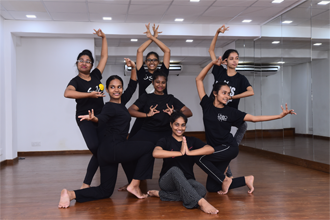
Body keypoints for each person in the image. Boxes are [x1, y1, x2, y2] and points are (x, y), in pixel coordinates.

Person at [58, 58, 155, 208]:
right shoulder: (108, 107)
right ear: (107, 90)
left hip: (106, 153)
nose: (116, 90)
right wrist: (94, 118)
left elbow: (133, 85)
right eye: (112, 87)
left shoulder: (122, 102)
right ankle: (134, 185)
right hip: (114, 148)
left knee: (105, 191)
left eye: (119, 87)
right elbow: (102, 118)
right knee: (150, 146)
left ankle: (71, 194)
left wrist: (134, 68)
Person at [195, 57, 296, 195]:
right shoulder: (206, 105)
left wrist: (279, 116)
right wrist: (212, 63)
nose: (227, 96)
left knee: (200, 157)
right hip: (217, 149)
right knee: (212, 187)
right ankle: (246, 179)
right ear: (215, 93)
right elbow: (198, 80)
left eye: (229, 93)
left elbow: (254, 118)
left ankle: (225, 180)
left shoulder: (230, 112)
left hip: (228, 148)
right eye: (224, 93)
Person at [119, 70, 192, 187]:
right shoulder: (146, 97)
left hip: (165, 133)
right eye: (157, 82)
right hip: (147, 131)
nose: (160, 85)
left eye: (163, 82)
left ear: (166, 84)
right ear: (153, 82)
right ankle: (133, 182)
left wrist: (174, 113)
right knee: (124, 153)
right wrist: (147, 115)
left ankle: (174, 181)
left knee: (177, 155)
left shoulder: (170, 98)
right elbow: (130, 110)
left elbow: (188, 112)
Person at [147, 112, 218, 215]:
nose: (179, 128)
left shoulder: (191, 140)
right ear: (171, 124)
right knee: (175, 169)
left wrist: (190, 152)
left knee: (201, 190)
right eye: (176, 124)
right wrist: (180, 153)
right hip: (168, 181)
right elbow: (155, 153)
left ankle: (160, 194)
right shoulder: (165, 140)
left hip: (188, 180)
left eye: (183, 125)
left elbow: (210, 149)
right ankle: (201, 202)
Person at [64, 29, 108, 189]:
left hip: (101, 117)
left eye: (88, 61)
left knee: (103, 149)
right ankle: (88, 182)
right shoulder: (75, 81)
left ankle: (89, 183)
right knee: (97, 148)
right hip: (84, 118)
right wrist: (89, 95)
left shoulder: (96, 75)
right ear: (77, 63)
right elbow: (67, 93)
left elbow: (104, 57)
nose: (84, 62)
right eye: (81, 60)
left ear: (91, 64)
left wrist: (104, 37)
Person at [209, 25, 254, 178]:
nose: (235, 61)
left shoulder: (240, 78)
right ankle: (224, 168)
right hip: (214, 110)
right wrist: (217, 33)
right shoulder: (219, 71)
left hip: (229, 113)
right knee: (218, 140)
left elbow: (251, 91)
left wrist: (233, 97)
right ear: (226, 60)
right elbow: (211, 51)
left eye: (237, 58)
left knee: (243, 124)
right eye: (232, 58)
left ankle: (232, 147)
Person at [129, 23, 171, 139]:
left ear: (158, 62)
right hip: (144, 111)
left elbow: (167, 51)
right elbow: (139, 51)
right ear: (145, 62)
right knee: (133, 139)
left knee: (166, 140)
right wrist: (150, 38)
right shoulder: (142, 72)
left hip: (162, 110)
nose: (151, 62)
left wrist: (153, 38)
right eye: (149, 60)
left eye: (154, 60)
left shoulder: (162, 73)